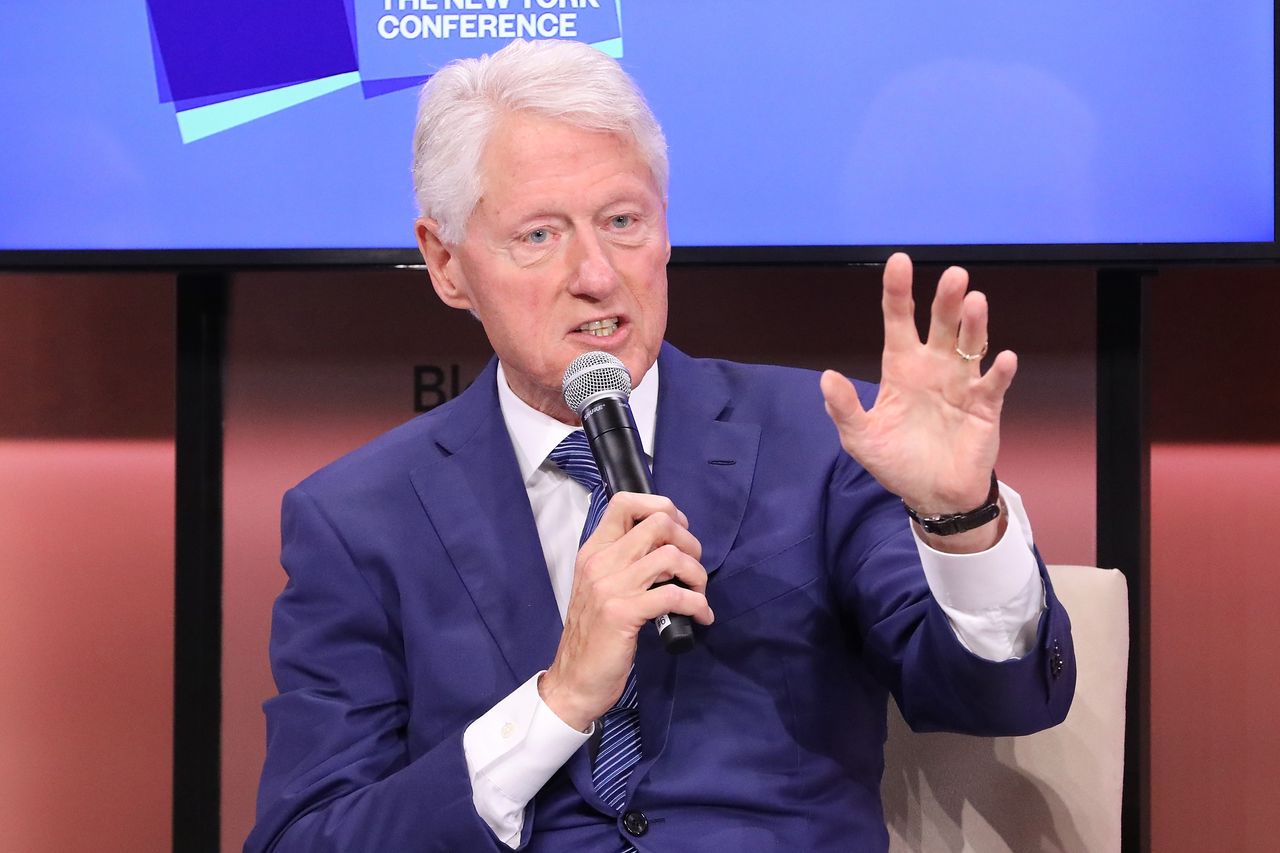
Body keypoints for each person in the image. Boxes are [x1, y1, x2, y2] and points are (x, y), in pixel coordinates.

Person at [246, 38, 1074, 853]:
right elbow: (309, 835)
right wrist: (559, 699)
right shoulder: (357, 519)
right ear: (446, 262)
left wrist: (961, 517)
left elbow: (1001, 698)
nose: (597, 274)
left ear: (666, 230)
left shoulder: (820, 440)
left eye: (622, 221)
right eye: (539, 235)